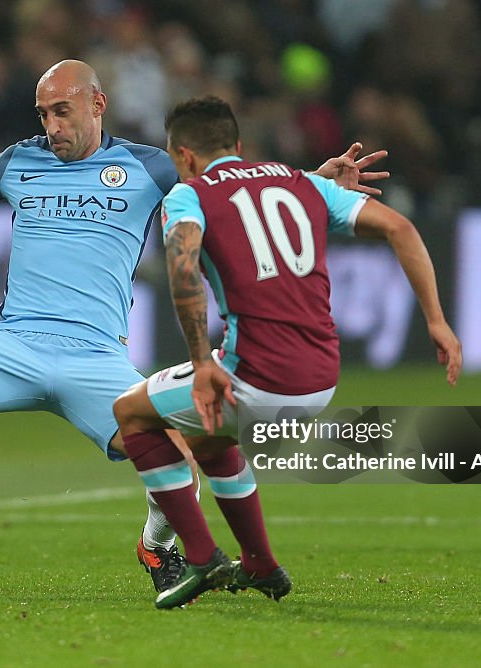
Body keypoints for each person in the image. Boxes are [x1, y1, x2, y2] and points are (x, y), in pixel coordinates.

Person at [0, 60, 389, 592]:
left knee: (182, 458)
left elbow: (233, 187)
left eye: (62, 111)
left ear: (96, 105)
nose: (51, 126)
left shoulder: (149, 167)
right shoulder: (19, 160)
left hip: (96, 357)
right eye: (43, 113)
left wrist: (313, 179)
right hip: (15, 344)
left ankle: (156, 549)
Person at [113, 95, 461, 609]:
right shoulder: (307, 186)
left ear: (183, 156)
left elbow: (183, 271)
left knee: (131, 414)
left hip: (256, 376)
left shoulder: (187, 196)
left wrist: (205, 363)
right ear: (238, 145)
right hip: (321, 380)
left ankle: (203, 557)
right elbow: (400, 228)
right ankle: (260, 564)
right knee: (209, 438)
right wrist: (436, 320)